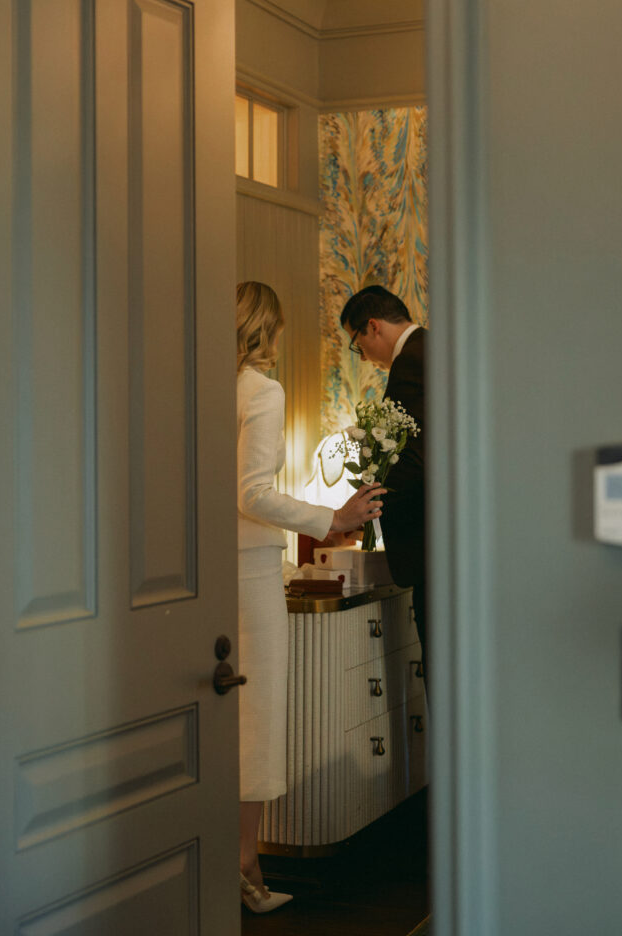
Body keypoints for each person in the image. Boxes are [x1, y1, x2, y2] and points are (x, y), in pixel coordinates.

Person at [236, 280, 386, 913]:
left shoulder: (193, 384)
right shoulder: (262, 392)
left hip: (199, 575)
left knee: (216, 721)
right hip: (247, 573)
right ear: (266, 331)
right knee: (259, 720)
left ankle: (217, 860)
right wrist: (332, 516)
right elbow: (252, 493)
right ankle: (245, 868)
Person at [340, 285, 428, 687]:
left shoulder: (410, 363)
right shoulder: (434, 348)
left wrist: (369, 504)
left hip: (431, 542)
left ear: (372, 327)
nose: (366, 358)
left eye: (358, 345)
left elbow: (415, 459)